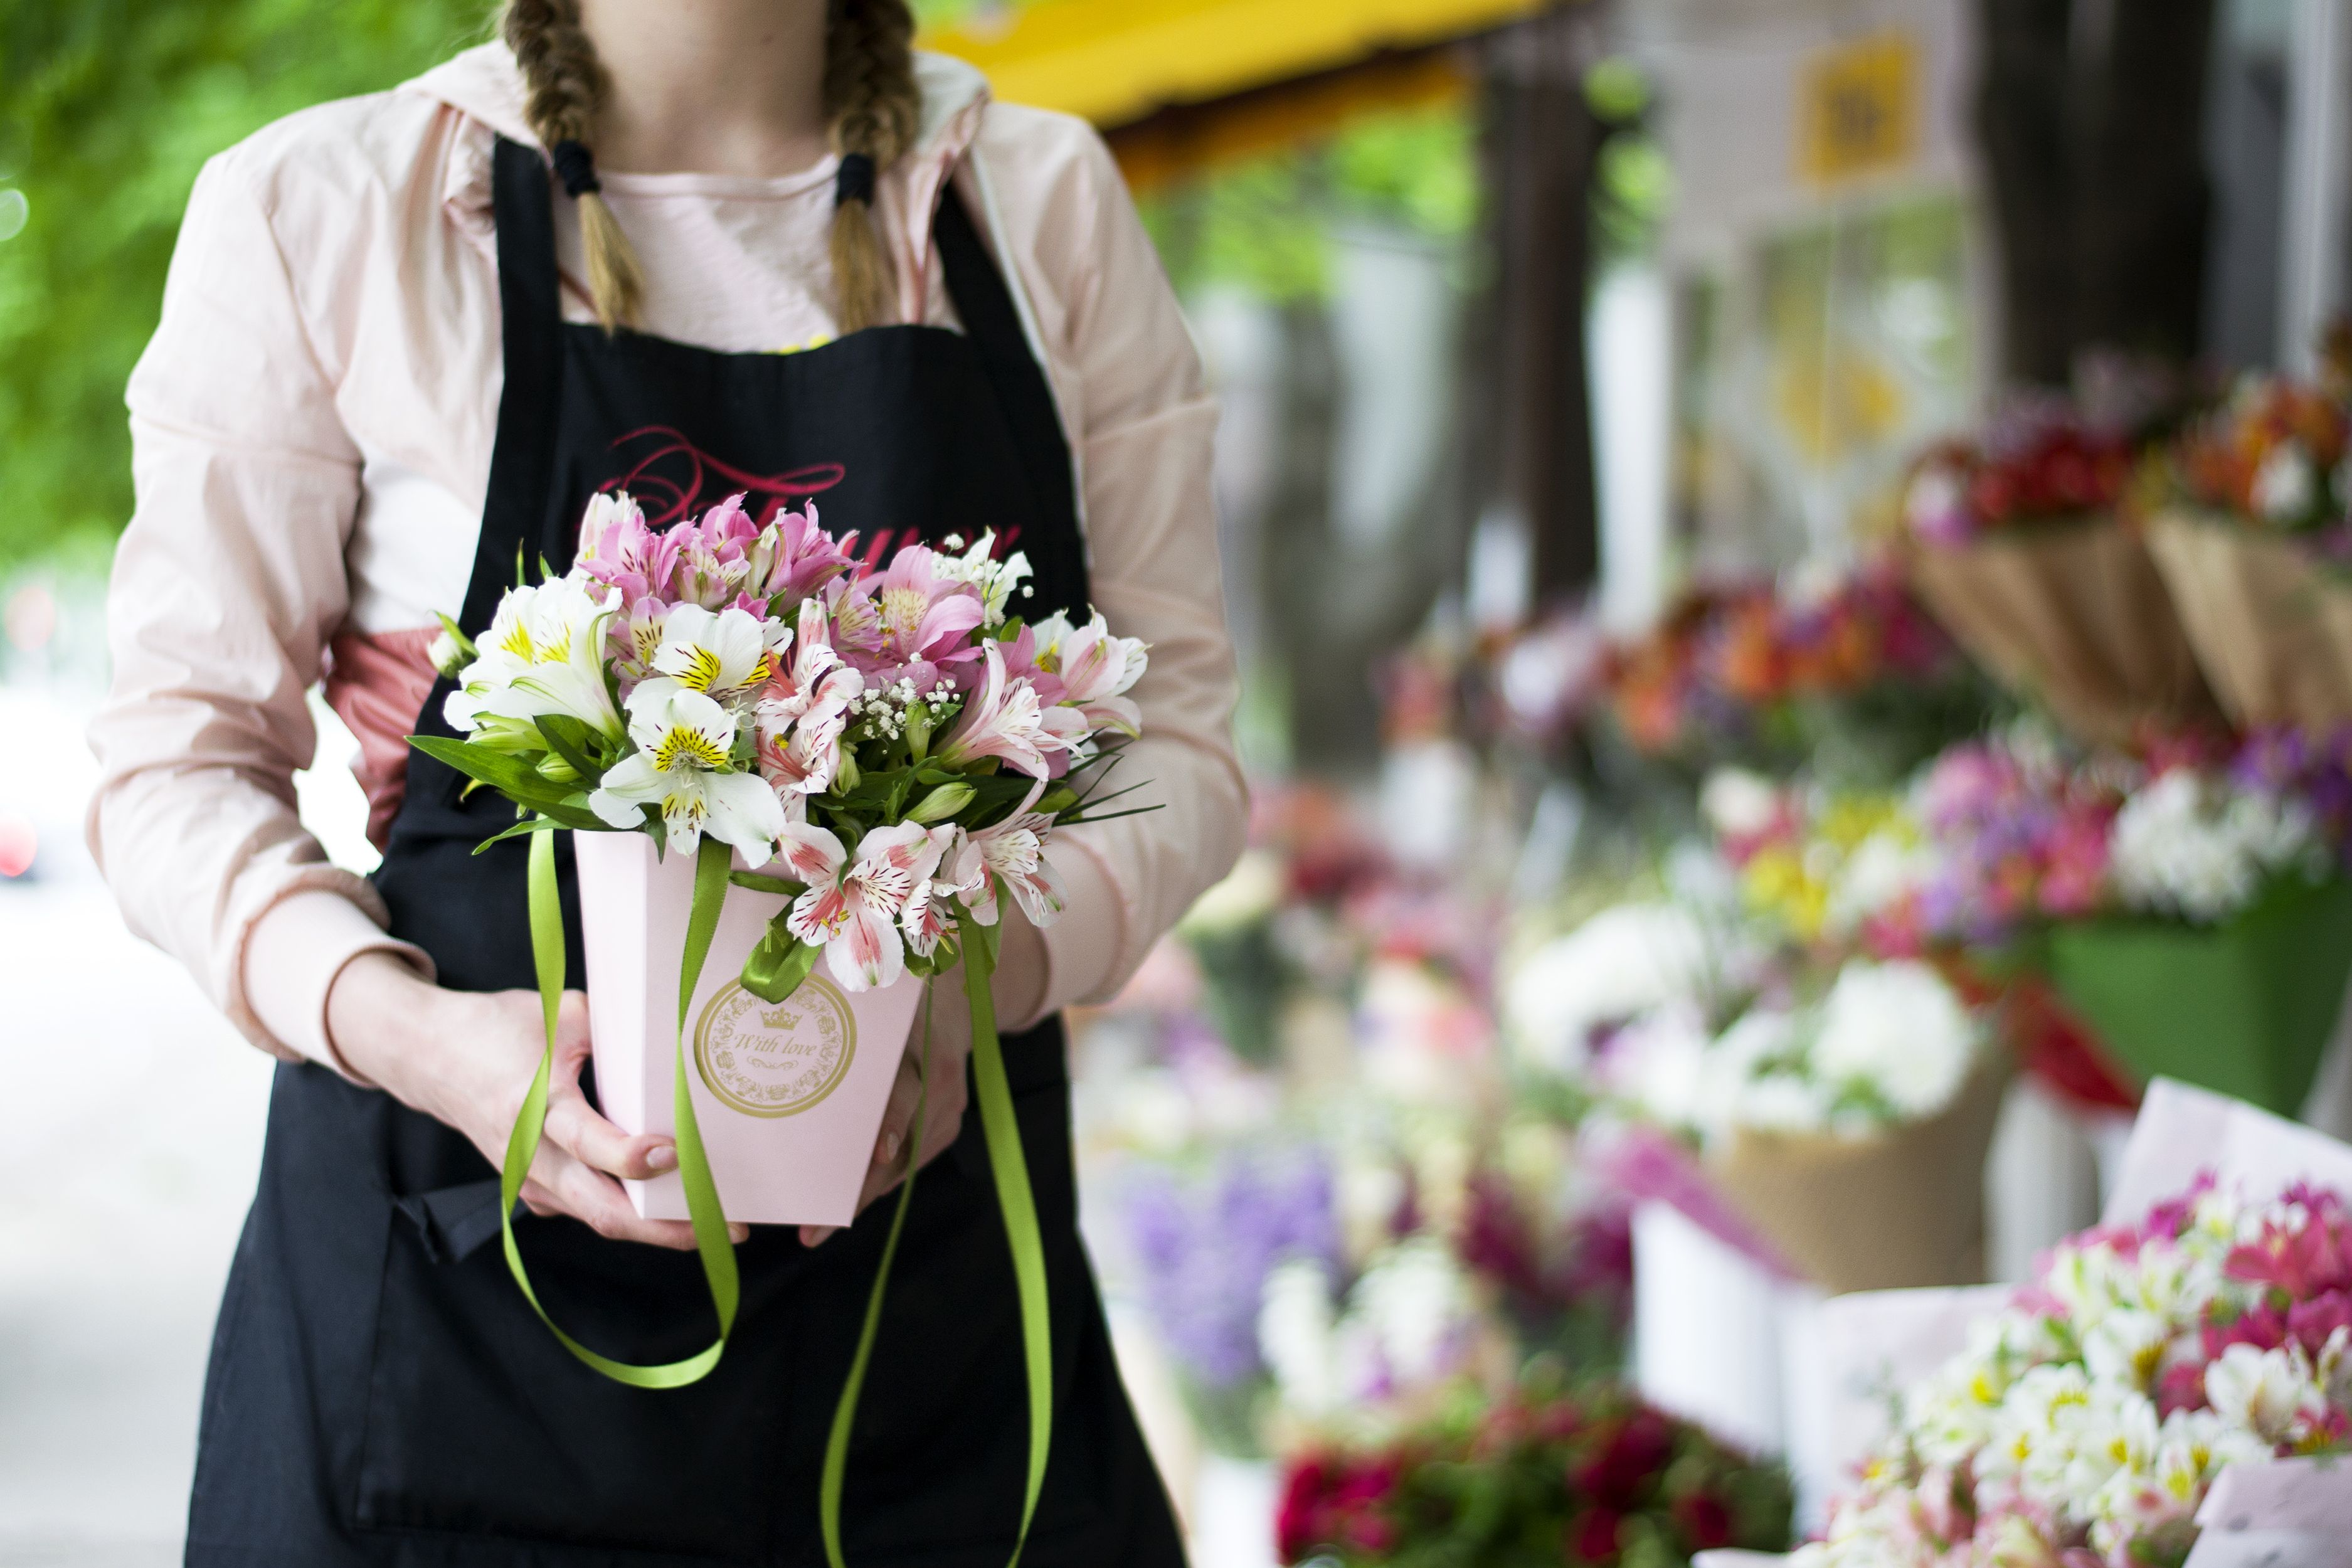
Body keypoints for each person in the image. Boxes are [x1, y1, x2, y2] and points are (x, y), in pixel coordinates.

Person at [85, 0, 1245, 1562]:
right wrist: (416, 1033)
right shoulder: (333, 207)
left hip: (932, 1334)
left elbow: (1170, 735)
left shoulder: (1029, 197)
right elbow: (175, 758)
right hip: (452, 1325)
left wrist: (979, 978)